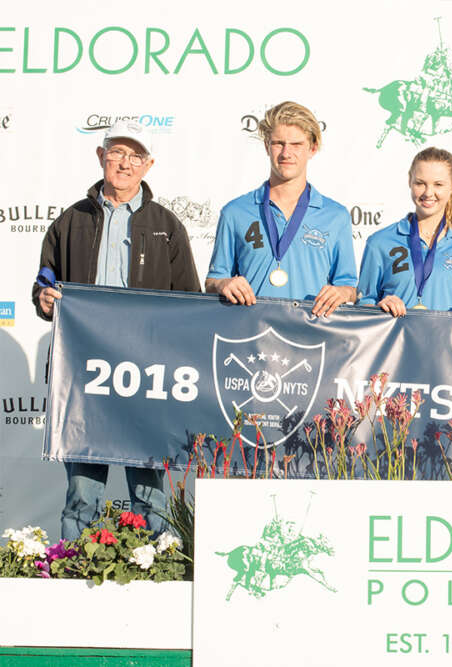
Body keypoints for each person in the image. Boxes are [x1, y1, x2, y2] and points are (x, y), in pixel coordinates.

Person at [31, 120, 201, 539]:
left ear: (148, 165)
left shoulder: (167, 225)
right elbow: (44, 283)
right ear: (100, 156)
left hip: (146, 371)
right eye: (117, 152)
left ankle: (156, 564)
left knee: (149, 490)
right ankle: (73, 561)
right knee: (82, 488)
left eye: (134, 156)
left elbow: (190, 300)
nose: (124, 163)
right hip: (84, 371)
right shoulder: (70, 221)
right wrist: (43, 299)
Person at [206, 101, 357, 313]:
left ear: (312, 148)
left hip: (312, 335)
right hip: (250, 337)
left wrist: (342, 292)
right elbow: (213, 281)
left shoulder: (336, 216)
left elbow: (349, 286)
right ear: (267, 146)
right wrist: (222, 284)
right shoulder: (235, 212)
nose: (286, 153)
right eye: (278, 143)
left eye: (296, 145)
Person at [356, 147, 452, 318]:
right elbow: (363, 304)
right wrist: (378, 306)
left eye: (438, 184)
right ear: (410, 181)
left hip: (448, 343)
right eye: (420, 183)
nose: (428, 192)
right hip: (397, 343)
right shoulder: (379, 242)